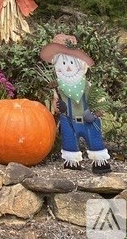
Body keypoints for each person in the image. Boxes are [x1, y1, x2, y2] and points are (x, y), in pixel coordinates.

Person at [40, 33, 111, 174]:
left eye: (71, 63)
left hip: (88, 120)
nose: (67, 68)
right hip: (68, 121)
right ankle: (72, 162)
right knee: (69, 142)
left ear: (80, 66)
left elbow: (102, 103)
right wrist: (59, 107)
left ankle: (100, 162)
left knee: (95, 140)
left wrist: (95, 113)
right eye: (63, 64)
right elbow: (55, 107)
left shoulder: (88, 86)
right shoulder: (59, 89)